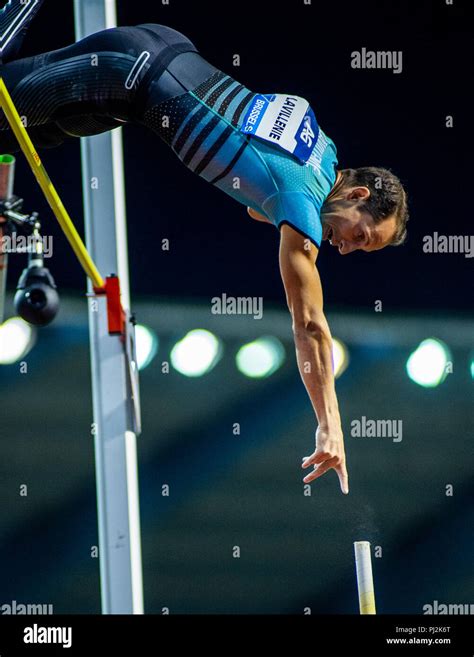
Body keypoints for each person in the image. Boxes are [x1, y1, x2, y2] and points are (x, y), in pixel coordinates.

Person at [0, 0, 409, 495]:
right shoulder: (301, 204)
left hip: (159, 51)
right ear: (359, 194)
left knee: (26, 126)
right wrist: (331, 423)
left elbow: (253, 201)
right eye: (361, 236)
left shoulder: (321, 148)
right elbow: (310, 327)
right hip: (131, 76)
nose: (345, 249)